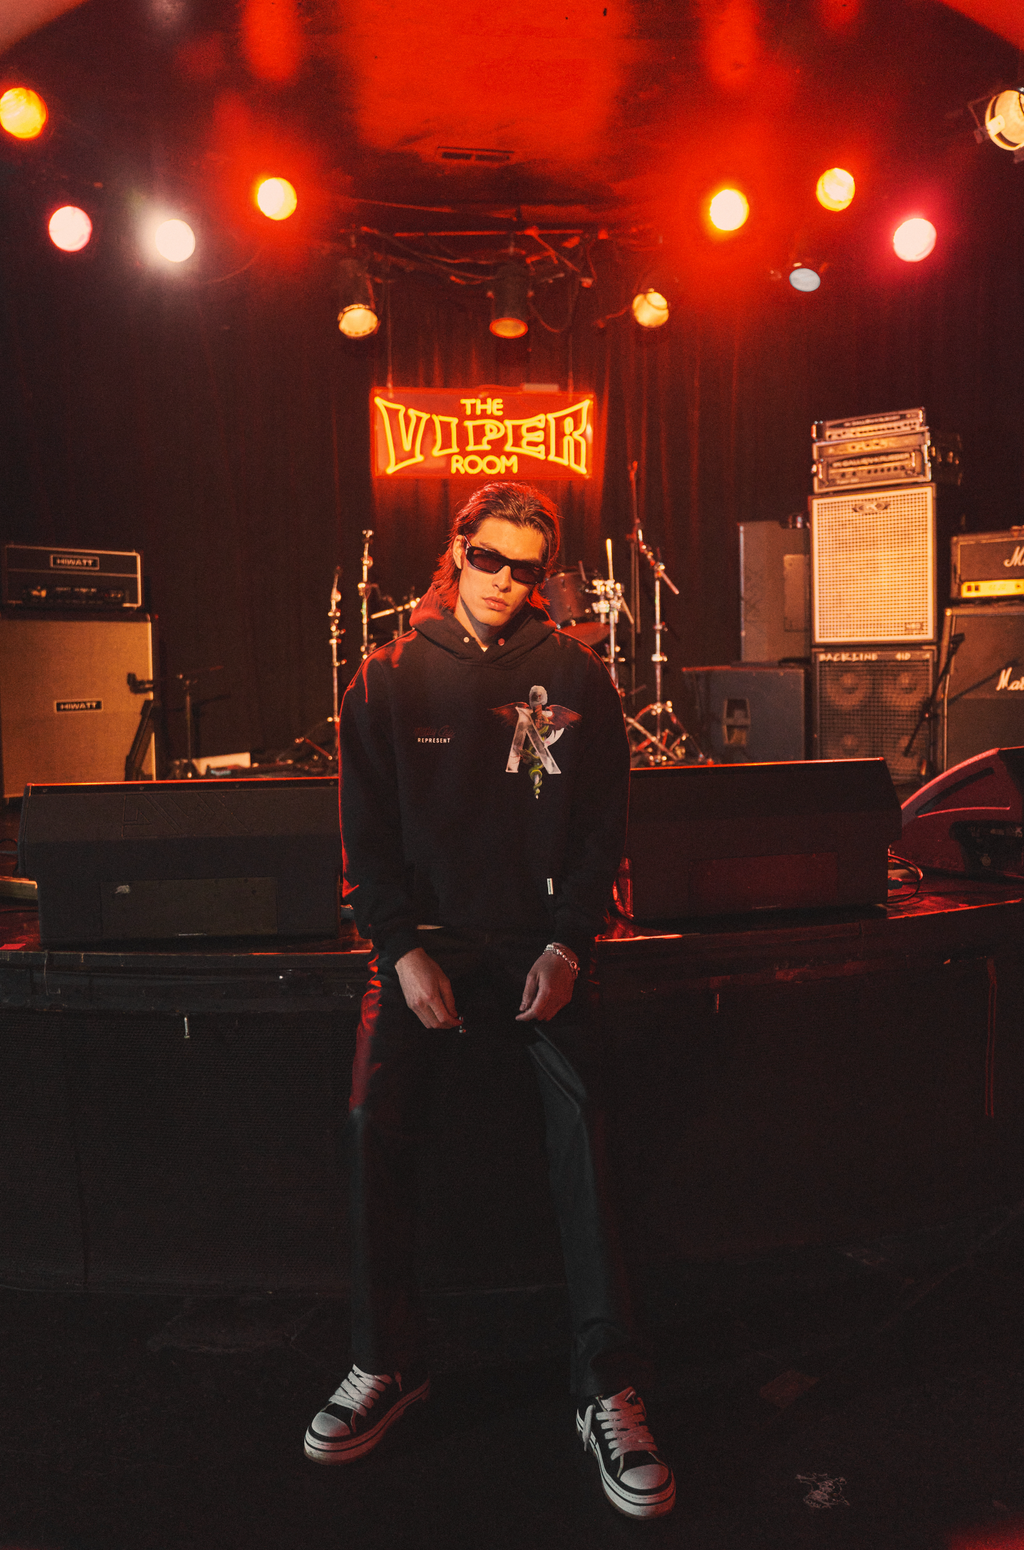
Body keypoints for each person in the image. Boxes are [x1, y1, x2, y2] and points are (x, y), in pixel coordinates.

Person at [303, 482, 675, 1520]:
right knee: (372, 1120)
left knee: (586, 1125)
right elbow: (365, 836)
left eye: (526, 567)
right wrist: (400, 950)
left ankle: (608, 1386)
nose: (506, 580)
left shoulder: (577, 674)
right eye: (489, 558)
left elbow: (601, 824)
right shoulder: (384, 674)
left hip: (536, 941)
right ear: (456, 548)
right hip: (424, 941)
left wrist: (568, 942)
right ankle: (386, 1360)